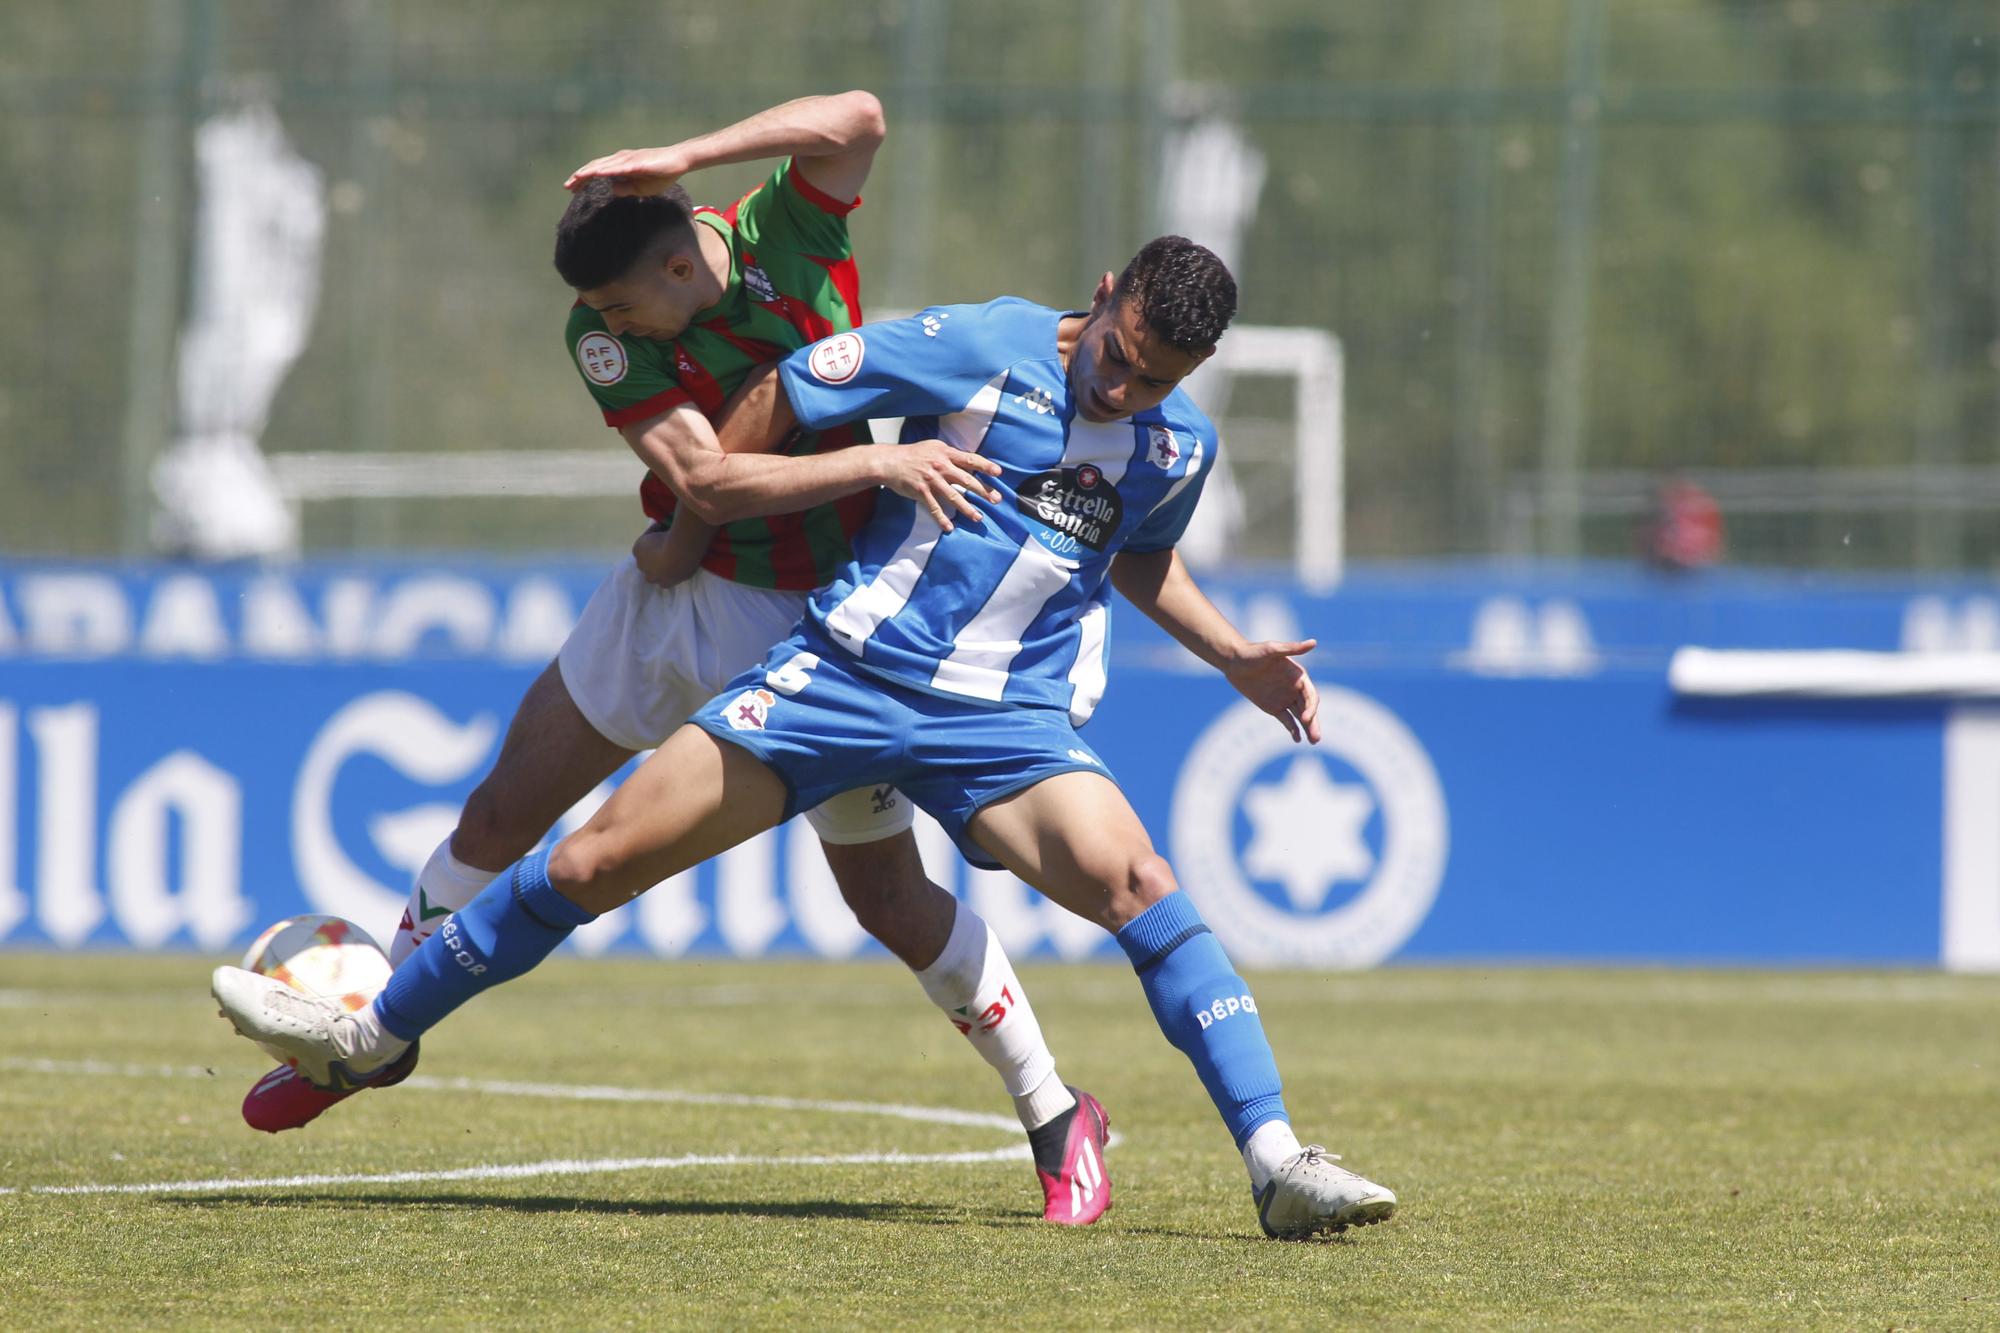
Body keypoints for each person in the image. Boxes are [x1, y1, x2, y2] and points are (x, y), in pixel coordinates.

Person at [214, 236, 1398, 1240]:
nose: (1123, 393)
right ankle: (367, 1039)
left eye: (1158, 380)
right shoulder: (980, 343)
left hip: (1003, 722)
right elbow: (798, 383)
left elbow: (1136, 553)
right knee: (586, 862)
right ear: (1099, 295)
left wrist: (1230, 651)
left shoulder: (1171, 447)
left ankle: (1275, 1162)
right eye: (1118, 359)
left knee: (1139, 883)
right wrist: (707, 497)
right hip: (839, 673)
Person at [237, 90, 1112, 1226]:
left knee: (890, 899)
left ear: (679, 261)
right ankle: (376, 1043)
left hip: (827, 626)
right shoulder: (597, 328)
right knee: (503, 811)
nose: (604, 327)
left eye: (619, 300)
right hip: (674, 596)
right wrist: (859, 474)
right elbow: (701, 480)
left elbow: (858, 114)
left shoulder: (786, 232)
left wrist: (687, 152)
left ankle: (1054, 1111)